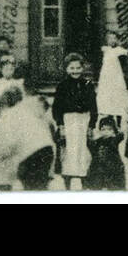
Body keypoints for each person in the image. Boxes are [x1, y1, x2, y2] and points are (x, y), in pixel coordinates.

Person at [50, 53, 97, 189]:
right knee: (69, 151)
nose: (75, 71)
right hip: (68, 121)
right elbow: (57, 107)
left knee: (83, 152)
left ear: (82, 68)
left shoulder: (87, 85)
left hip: (83, 120)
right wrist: (60, 124)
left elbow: (93, 106)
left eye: (78, 68)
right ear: (66, 69)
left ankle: (84, 182)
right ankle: (67, 182)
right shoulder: (62, 86)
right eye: (72, 68)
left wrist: (92, 124)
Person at [2, 89, 55, 191]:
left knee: (31, 187)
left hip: (31, 154)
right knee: (41, 187)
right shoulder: (28, 107)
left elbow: (10, 143)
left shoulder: (8, 115)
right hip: (47, 148)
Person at [96, 31, 128, 123]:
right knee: (107, 96)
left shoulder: (119, 50)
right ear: (107, 40)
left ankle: (119, 120)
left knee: (117, 96)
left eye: (114, 38)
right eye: (110, 38)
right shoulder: (105, 50)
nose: (112, 40)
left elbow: (125, 60)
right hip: (106, 77)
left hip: (116, 77)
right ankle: (109, 119)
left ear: (117, 40)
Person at [87, 115, 125, 190]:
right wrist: (89, 137)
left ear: (113, 131)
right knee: (96, 182)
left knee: (114, 186)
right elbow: (91, 146)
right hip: (99, 168)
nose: (106, 132)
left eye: (109, 129)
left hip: (112, 167)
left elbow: (120, 136)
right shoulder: (98, 141)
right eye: (103, 129)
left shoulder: (114, 140)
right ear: (100, 131)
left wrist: (118, 125)